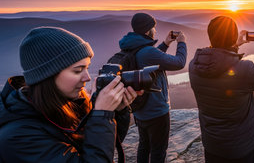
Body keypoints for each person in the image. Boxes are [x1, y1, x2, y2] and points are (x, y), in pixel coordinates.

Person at [0, 26, 139, 162]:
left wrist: (115, 112)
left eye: (87, 68)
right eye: (78, 70)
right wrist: (102, 114)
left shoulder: (69, 102)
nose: (87, 77)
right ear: (47, 75)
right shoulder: (18, 137)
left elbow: (100, 147)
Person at [189, 16, 254, 163]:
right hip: (241, 148)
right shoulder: (244, 69)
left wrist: (234, 45)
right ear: (233, 36)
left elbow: (218, 61)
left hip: (212, 145)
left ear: (210, 36)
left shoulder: (195, 65)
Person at [119, 12, 187, 163]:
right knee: (158, 149)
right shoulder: (147, 51)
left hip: (140, 108)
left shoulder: (132, 46)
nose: (155, 31)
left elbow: (151, 60)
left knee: (144, 146)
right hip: (156, 110)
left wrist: (166, 44)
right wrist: (181, 43)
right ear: (147, 30)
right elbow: (179, 62)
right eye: (153, 28)